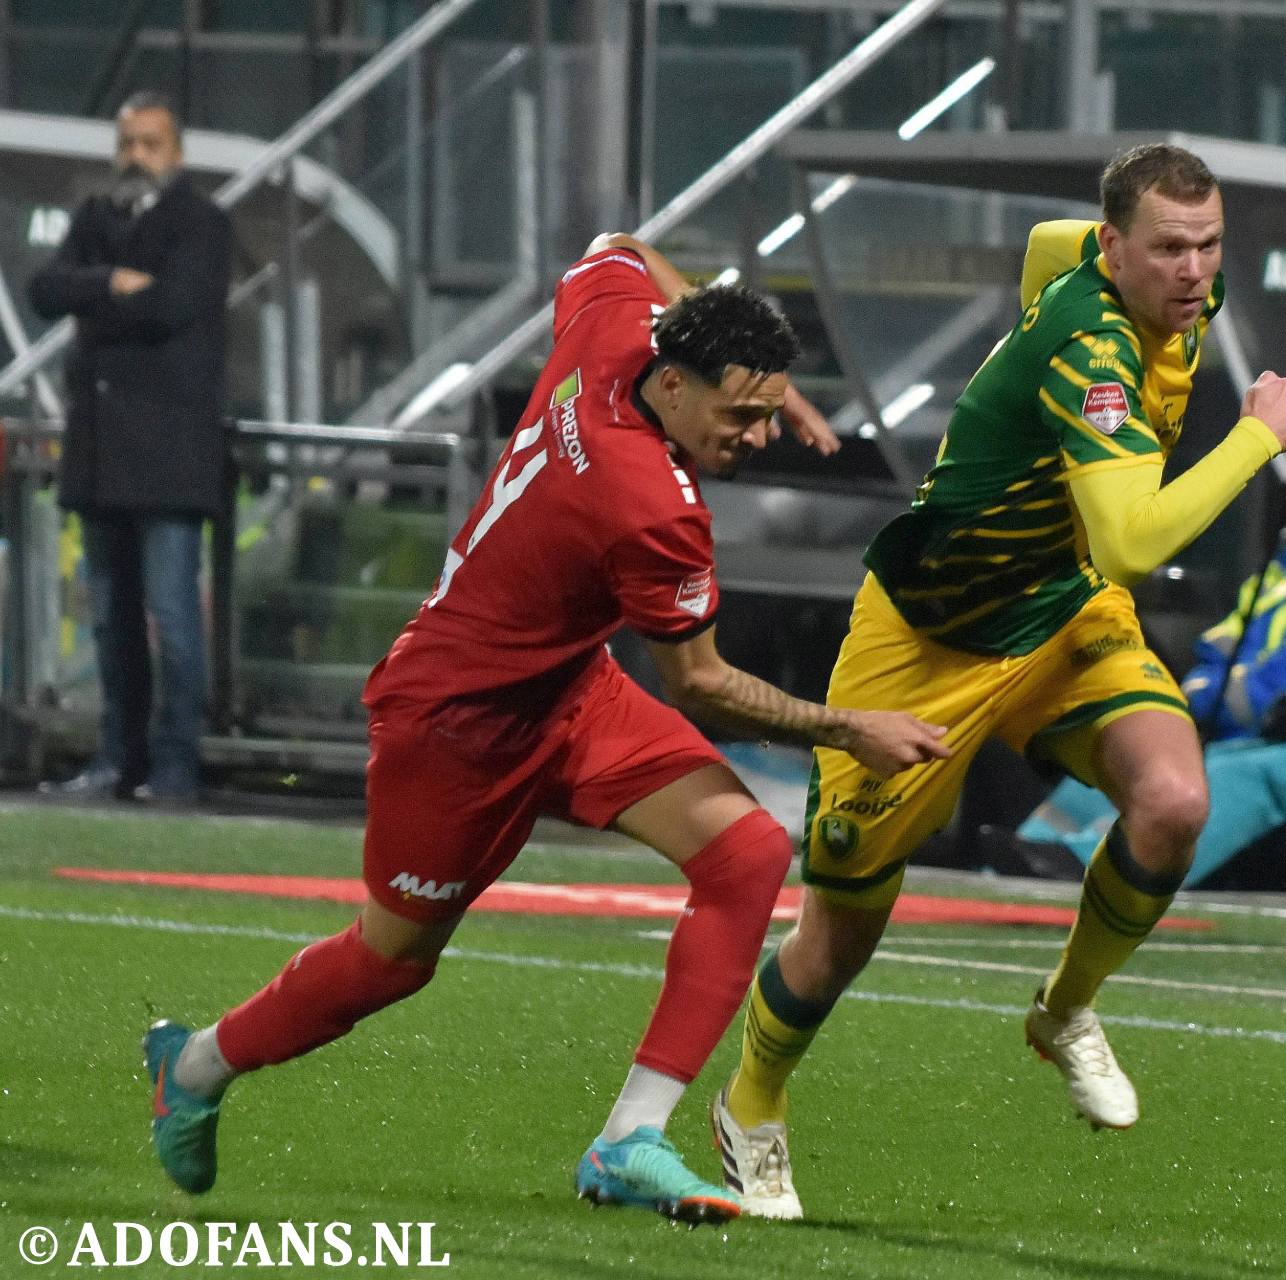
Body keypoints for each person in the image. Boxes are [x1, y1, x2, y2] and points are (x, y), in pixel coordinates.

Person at [138, 234, 951, 1225]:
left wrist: (750, 365)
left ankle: (626, 1141)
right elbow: (699, 681)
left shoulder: (618, 329)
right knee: (391, 962)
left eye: (766, 409)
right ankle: (193, 1062)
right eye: (739, 414)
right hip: (456, 724)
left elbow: (622, 247)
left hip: (570, 689)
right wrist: (846, 726)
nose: (756, 434)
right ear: (674, 384)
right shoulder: (650, 501)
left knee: (743, 853)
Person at [708, 143, 1286, 1220]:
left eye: (1208, 244)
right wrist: (1255, 436)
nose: (1193, 270)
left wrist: (1082, 270)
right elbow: (1132, 539)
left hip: (1060, 607)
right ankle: (752, 1100)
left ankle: (1064, 1011)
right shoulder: (1088, 348)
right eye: (1168, 248)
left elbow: (1048, 247)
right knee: (841, 927)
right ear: (1117, 249)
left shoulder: (1134, 272)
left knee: (1174, 801)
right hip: (928, 633)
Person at [29, 91, 234, 805]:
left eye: (149, 143)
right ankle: (119, 758)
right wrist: (110, 284)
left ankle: (175, 764)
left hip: (171, 456)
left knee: (174, 617)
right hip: (98, 452)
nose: (135, 157)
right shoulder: (94, 218)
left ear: (175, 153)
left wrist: (98, 301)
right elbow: (45, 289)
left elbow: (175, 307)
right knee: (112, 617)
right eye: (126, 143)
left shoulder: (203, 224)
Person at [1017, 534, 1286, 889]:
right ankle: (1030, 849)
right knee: (1134, 758)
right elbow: (1212, 669)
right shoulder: (1280, 583)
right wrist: (1260, 709)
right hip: (1265, 736)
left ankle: (1105, 868)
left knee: (1235, 774)